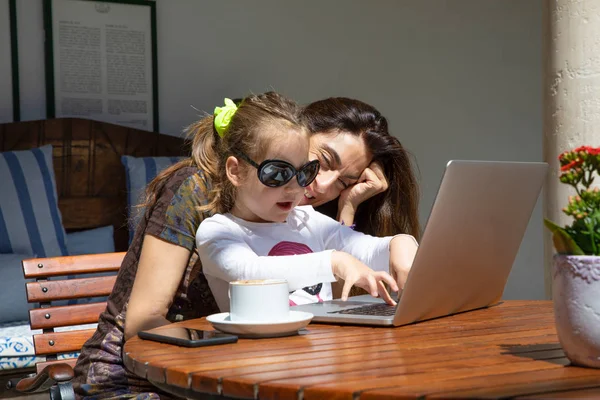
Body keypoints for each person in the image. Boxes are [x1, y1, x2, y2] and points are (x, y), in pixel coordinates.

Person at [72, 93, 418, 398]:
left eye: (343, 181)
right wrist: (231, 356)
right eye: (322, 163)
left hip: (246, 371)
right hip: (136, 376)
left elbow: (330, 287)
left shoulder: (295, 210)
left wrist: (350, 210)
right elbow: (144, 321)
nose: (320, 185)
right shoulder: (197, 193)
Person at [195, 94, 418, 309]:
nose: (294, 188)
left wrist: (400, 243)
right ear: (236, 171)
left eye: (305, 172)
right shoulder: (217, 231)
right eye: (278, 173)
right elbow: (248, 272)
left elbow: (365, 249)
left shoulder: (309, 220)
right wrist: (333, 262)